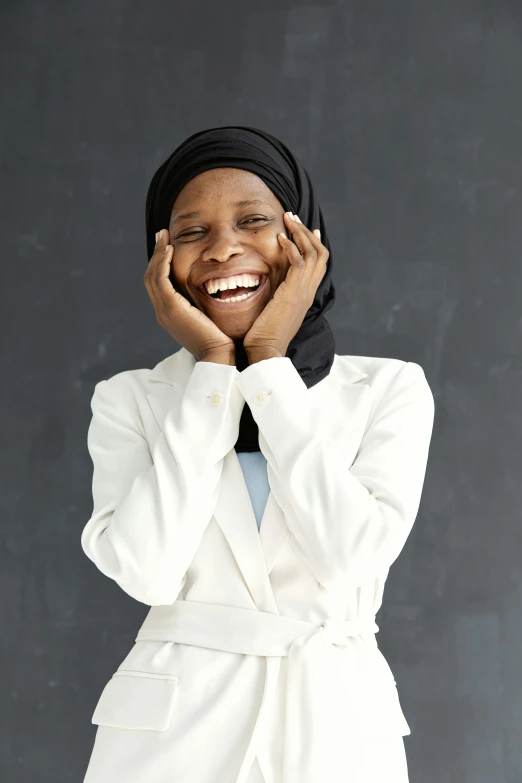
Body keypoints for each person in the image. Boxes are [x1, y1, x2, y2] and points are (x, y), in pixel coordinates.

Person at [80, 126, 435, 783]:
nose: (223, 248)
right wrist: (216, 370)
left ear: (304, 237)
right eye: (190, 231)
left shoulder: (389, 390)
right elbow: (148, 570)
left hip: (336, 729)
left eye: (254, 220)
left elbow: (348, 556)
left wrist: (268, 366)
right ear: (161, 257)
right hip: (170, 740)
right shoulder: (130, 399)